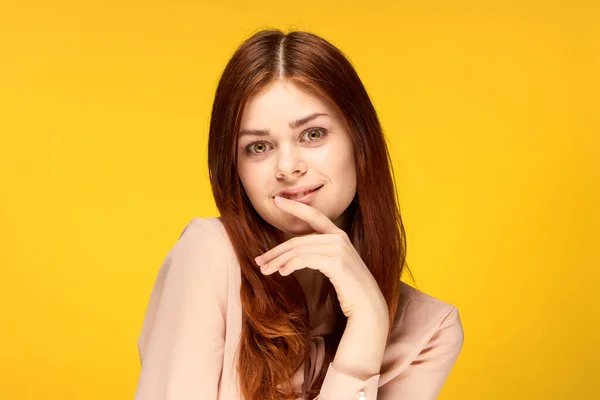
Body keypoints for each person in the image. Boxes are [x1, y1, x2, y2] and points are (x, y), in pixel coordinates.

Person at [134, 29, 464, 400]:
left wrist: (368, 326)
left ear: (360, 140)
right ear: (234, 169)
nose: (288, 167)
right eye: (258, 147)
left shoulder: (429, 331)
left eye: (312, 134)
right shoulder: (208, 256)